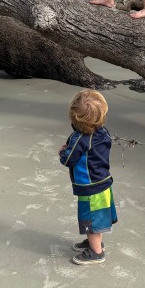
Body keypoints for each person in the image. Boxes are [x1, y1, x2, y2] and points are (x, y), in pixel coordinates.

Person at [59, 89, 117, 266]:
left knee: (90, 220)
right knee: (95, 218)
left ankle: (96, 252)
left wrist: (63, 151)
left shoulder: (81, 138)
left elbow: (68, 159)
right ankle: (94, 241)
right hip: (103, 182)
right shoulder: (103, 132)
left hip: (90, 187)